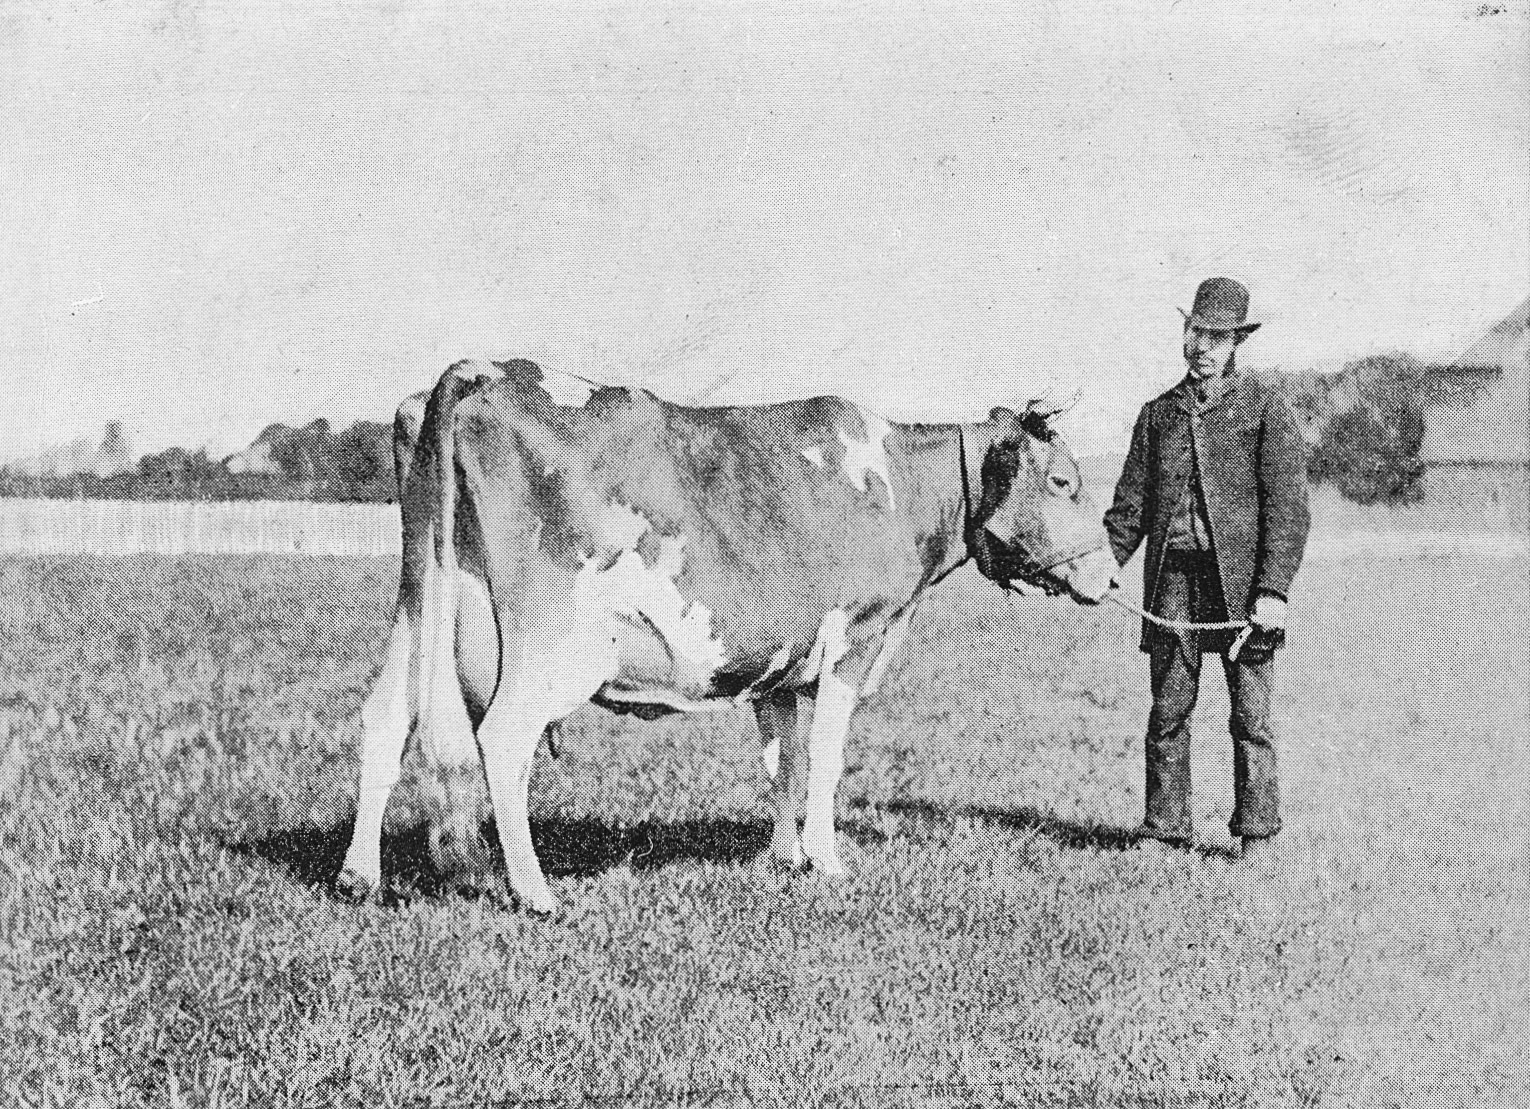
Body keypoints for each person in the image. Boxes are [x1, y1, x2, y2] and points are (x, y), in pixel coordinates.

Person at [1104, 277, 1310, 860]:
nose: (1203, 346)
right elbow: (1128, 511)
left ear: (1236, 343)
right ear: (1184, 333)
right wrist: (1100, 565)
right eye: (1196, 332)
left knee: (1251, 714)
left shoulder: (1266, 408)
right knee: (1168, 708)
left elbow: (1289, 509)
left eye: (1216, 337)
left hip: (1244, 588)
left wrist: (1273, 591)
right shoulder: (1157, 415)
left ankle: (1258, 834)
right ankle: (1165, 829)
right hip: (1173, 583)